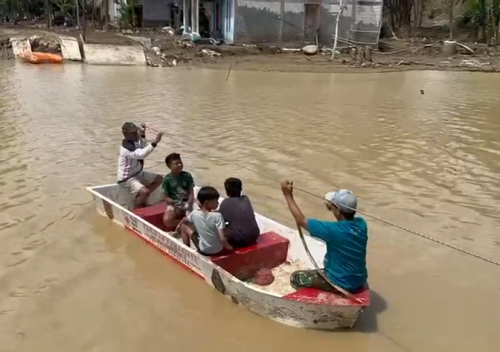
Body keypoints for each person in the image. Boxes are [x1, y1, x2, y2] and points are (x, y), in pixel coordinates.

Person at [280, 181, 368, 293]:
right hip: (359, 279)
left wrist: (287, 195)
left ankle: (327, 294)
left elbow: (301, 220)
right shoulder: (362, 224)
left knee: (296, 278)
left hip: (341, 282)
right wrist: (333, 206)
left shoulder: (333, 230)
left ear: (338, 210)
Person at [117, 122, 164, 208]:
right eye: (134, 133)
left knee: (159, 179)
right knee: (145, 192)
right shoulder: (126, 147)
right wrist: (155, 141)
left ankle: (141, 199)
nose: (136, 134)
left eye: (136, 131)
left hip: (137, 173)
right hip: (127, 178)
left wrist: (142, 134)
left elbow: (143, 146)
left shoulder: (134, 142)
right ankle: (135, 208)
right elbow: (141, 154)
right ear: (126, 134)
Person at [177, 186, 233, 255]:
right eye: (216, 201)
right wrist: (229, 247)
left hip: (204, 250)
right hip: (218, 250)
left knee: (183, 227)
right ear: (207, 203)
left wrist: (178, 228)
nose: (218, 203)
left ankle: (187, 250)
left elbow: (184, 220)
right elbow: (222, 238)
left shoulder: (194, 213)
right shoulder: (217, 216)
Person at [219, 177, 260, 248]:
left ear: (227, 192)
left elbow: (219, 220)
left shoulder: (225, 202)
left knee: (218, 229)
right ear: (241, 189)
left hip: (239, 240)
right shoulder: (246, 199)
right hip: (255, 236)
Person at [162, 153, 195, 229]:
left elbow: (191, 192)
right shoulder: (167, 180)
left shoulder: (187, 175)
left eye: (180, 162)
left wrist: (188, 203)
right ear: (169, 166)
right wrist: (175, 202)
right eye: (176, 164)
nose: (180, 165)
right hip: (175, 204)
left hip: (187, 202)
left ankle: (186, 224)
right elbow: (165, 197)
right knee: (167, 221)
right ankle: (184, 224)